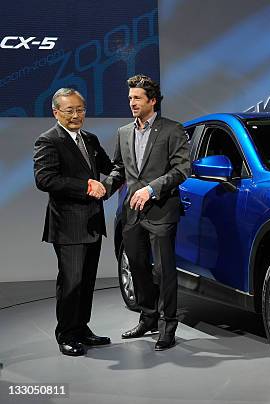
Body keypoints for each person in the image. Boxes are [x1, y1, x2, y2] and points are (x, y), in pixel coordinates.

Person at [103, 74, 190, 351]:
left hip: (161, 210)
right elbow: (119, 169)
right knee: (138, 267)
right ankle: (148, 317)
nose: (132, 103)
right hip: (132, 213)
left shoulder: (172, 130)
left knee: (164, 271)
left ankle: (167, 327)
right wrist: (104, 187)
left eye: (137, 98)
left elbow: (181, 170)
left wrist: (151, 189)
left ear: (152, 100)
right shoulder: (124, 132)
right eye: (130, 98)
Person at [33, 88, 113, 356]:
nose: (76, 115)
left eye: (80, 110)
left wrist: (111, 182)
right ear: (56, 112)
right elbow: (45, 179)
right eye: (70, 110)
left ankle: (81, 328)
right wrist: (86, 186)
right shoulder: (48, 141)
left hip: (92, 222)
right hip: (68, 226)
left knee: (87, 280)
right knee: (71, 282)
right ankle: (66, 334)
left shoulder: (89, 139)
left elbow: (109, 166)